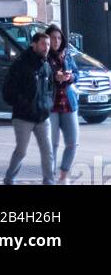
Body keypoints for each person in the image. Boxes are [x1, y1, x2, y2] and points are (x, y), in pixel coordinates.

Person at [2, 30, 55, 186]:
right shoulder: (21, 64)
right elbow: (8, 90)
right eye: (43, 44)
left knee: (48, 151)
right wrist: (23, 103)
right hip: (23, 116)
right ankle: (9, 178)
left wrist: (48, 104)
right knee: (21, 151)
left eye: (48, 44)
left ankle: (49, 181)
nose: (46, 47)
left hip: (42, 115)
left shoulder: (46, 65)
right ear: (34, 44)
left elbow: (51, 88)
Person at [47, 24, 79, 184]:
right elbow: (40, 76)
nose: (56, 41)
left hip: (68, 103)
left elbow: (76, 73)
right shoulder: (44, 57)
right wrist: (55, 77)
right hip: (51, 106)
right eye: (53, 38)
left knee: (73, 142)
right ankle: (50, 176)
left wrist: (70, 77)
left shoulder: (67, 55)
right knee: (52, 143)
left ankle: (63, 175)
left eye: (59, 38)